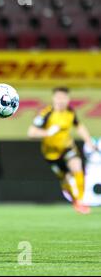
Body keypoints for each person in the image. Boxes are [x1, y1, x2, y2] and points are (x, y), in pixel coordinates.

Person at [27, 86, 96, 214]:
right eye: (58, 97)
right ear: (53, 98)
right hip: (51, 154)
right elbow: (31, 132)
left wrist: (88, 141)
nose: (61, 100)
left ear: (68, 99)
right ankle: (75, 199)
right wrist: (47, 132)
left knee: (77, 167)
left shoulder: (70, 112)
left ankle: (81, 201)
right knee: (65, 179)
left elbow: (79, 126)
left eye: (64, 97)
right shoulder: (46, 113)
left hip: (68, 148)